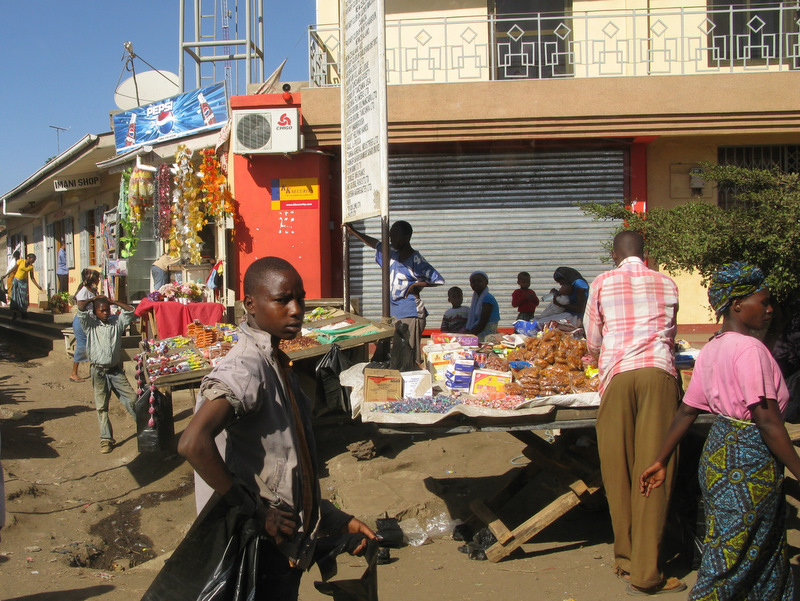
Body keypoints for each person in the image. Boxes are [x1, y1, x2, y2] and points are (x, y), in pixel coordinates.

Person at [178, 257, 375, 600]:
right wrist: (255, 512)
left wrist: (332, 517)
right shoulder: (245, 367)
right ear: (250, 304)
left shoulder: (276, 362)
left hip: (281, 543)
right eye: (282, 300)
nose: (296, 310)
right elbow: (193, 443)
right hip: (258, 548)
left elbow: (282, 467)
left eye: (301, 298)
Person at [640, 262, 796, 600]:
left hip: (718, 456)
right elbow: (767, 422)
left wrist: (660, 459)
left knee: (756, 547)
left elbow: (687, 410)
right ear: (737, 305)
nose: (770, 310)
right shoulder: (750, 350)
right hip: (748, 462)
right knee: (732, 557)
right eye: (763, 302)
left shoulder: (712, 348)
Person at [582, 231, 685, 595]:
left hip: (617, 377)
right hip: (658, 374)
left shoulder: (602, 282)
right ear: (645, 254)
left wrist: (604, 354)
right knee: (654, 468)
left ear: (615, 255)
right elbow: (671, 334)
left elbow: (593, 339)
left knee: (618, 470)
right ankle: (646, 566)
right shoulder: (667, 283)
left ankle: (629, 562)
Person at [345, 221, 444, 363]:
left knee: (407, 359)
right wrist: (354, 232)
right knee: (387, 356)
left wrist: (416, 285)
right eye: (390, 237)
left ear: (407, 237)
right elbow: (375, 244)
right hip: (394, 314)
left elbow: (438, 279)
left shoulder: (415, 259)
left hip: (410, 313)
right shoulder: (391, 255)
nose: (391, 240)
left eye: (394, 236)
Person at [76, 295, 138, 454]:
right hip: (98, 372)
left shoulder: (116, 323)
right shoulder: (90, 325)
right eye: (101, 310)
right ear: (95, 312)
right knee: (101, 407)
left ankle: (144, 427)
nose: (105, 313)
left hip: (115, 371)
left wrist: (112, 301)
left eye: (107, 310)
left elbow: (130, 311)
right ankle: (106, 439)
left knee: (132, 399)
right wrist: (92, 300)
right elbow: (80, 307)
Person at [70, 269, 101, 383]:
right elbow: (81, 306)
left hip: (89, 322)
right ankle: (74, 373)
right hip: (81, 322)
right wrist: (93, 299)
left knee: (91, 346)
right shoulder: (84, 291)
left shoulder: (93, 290)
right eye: (97, 278)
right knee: (82, 347)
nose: (98, 280)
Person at [5, 253, 42, 320]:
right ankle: (15, 314)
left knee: (24, 298)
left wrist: (38, 286)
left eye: (34, 260)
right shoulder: (21, 261)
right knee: (15, 298)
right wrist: (6, 275)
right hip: (16, 281)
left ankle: (23, 313)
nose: (33, 261)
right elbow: (13, 269)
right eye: (32, 259)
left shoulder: (31, 267)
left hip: (23, 283)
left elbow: (32, 277)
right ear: (28, 258)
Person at [465, 271, 501, 341]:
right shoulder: (477, 298)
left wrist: (470, 334)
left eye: (479, 281)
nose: (476, 283)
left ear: (486, 282)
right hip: (481, 329)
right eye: (473, 282)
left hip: (487, 331)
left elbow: (483, 321)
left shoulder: (487, 298)